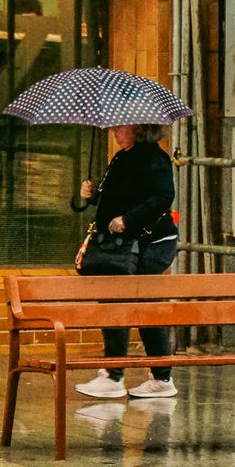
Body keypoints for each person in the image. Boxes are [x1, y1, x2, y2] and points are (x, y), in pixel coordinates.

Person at [73, 123, 179, 399]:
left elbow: (163, 197)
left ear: (141, 128)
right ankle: (155, 377)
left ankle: (117, 375)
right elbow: (119, 198)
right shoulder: (122, 157)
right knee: (128, 301)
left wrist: (129, 220)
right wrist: (94, 196)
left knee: (128, 301)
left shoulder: (153, 158)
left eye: (120, 128)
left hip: (151, 245)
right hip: (127, 245)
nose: (114, 132)